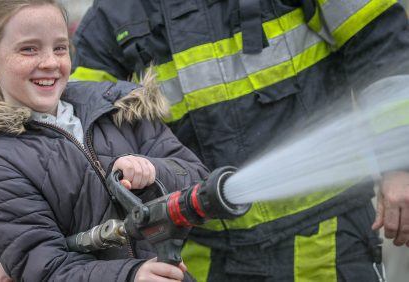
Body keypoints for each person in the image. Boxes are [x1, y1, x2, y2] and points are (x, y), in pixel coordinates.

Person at [70, 0, 409, 281]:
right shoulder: (114, 15)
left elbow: (383, 47)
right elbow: (75, 131)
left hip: (327, 238)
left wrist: (400, 164)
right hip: (203, 254)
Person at [0, 0, 208, 281]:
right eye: (29, 49)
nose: (50, 62)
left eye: (60, 48)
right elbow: (47, 269)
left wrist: (153, 171)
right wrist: (130, 275)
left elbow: (198, 181)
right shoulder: (2, 166)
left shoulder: (120, 108)